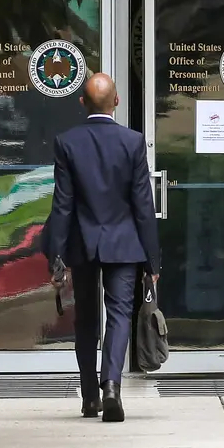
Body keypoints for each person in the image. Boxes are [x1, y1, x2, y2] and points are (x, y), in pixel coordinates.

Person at [43, 73, 160, 423]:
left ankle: (90, 397)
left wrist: (57, 258)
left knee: (86, 321)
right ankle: (112, 386)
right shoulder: (133, 142)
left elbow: (63, 205)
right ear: (117, 102)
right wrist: (153, 260)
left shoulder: (67, 142)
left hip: (82, 244)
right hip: (125, 245)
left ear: (82, 102)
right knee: (120, 314)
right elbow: (143, 205)